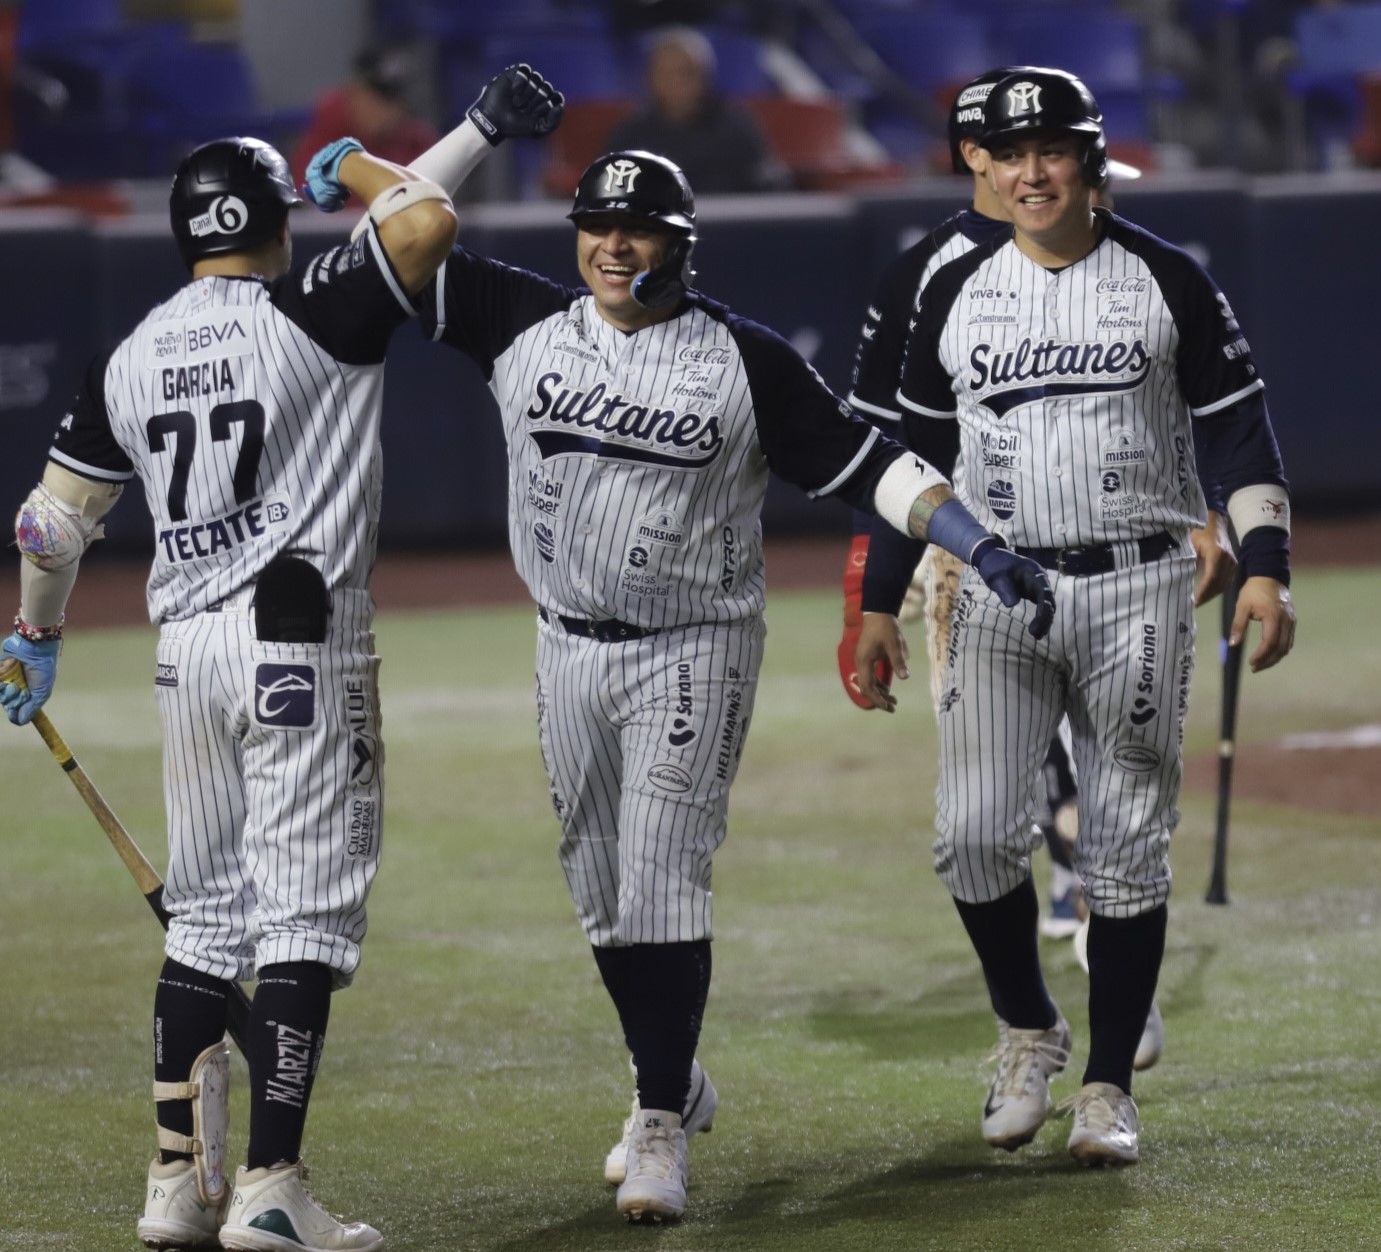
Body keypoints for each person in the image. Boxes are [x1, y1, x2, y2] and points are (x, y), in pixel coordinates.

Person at [412, 133, 1056, 1219]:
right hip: (564, 641)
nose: (617, 247)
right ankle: (671, 1072)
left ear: (684, 243)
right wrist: (468, 136)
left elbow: (874, 463)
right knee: (599, 887)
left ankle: (658, 1119)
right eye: (599, 227)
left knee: (662, 872)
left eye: (642, 229)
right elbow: (401, 234)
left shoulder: (740, 359)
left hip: (691, 645)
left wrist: (976, 540)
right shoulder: (516, 319)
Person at [0, 122, 459, 1247]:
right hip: (300, 645)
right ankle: (270, 1187)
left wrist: (32, 631)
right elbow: (426, 220)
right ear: (275, 218)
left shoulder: (134, 351)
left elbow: (50, 520)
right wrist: (352, 162)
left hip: (186, 652)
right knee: (302, 910)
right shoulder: (315, 311)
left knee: (203, 916)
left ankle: (174, 1186)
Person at [852, 68, 1296, 1166]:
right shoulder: (951, 290)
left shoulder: (1166, 279)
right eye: (1011, 154)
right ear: (984, 168)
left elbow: (1238, 431)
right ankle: (1026, 1027)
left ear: (1092, 162)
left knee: (1128, 844)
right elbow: (914, 464)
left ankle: (1105, 1087)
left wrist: (1265, 565)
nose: (1031, 171)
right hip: (992, 588)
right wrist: (875, 600)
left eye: (1053, 150)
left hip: (1139, 584)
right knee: (969, 837)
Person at [605, 26, 786, 193]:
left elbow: (770, 184)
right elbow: (609, 192)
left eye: (685, 73)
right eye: (666, 74)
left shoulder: (735, 126)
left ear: (704, 78)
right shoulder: (632, 133)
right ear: (651, 80)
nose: (676, 83)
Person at [292, 47, 439, 201]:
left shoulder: (416, 143)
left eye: (393, 98)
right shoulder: (324, 141)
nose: (386, 111)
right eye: (377, 96)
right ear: (354, 92)